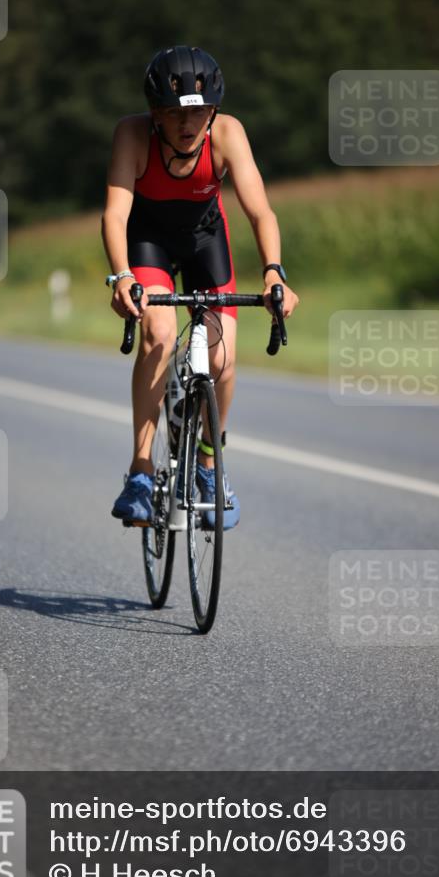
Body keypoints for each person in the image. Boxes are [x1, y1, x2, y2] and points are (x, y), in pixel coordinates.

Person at [102, 45, 299, 529]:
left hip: (205, 240)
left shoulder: (228, 133)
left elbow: (260, 211)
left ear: (212, 111)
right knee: (159, 334)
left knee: (221, 356)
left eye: (197, 112)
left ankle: (209, 465)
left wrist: (274, 271)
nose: (187, 124)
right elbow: (115, 214)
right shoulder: (132, 134)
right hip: (147, 241)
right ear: (155, 114)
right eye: (174, 113)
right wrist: (123, 276)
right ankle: (142, 471)